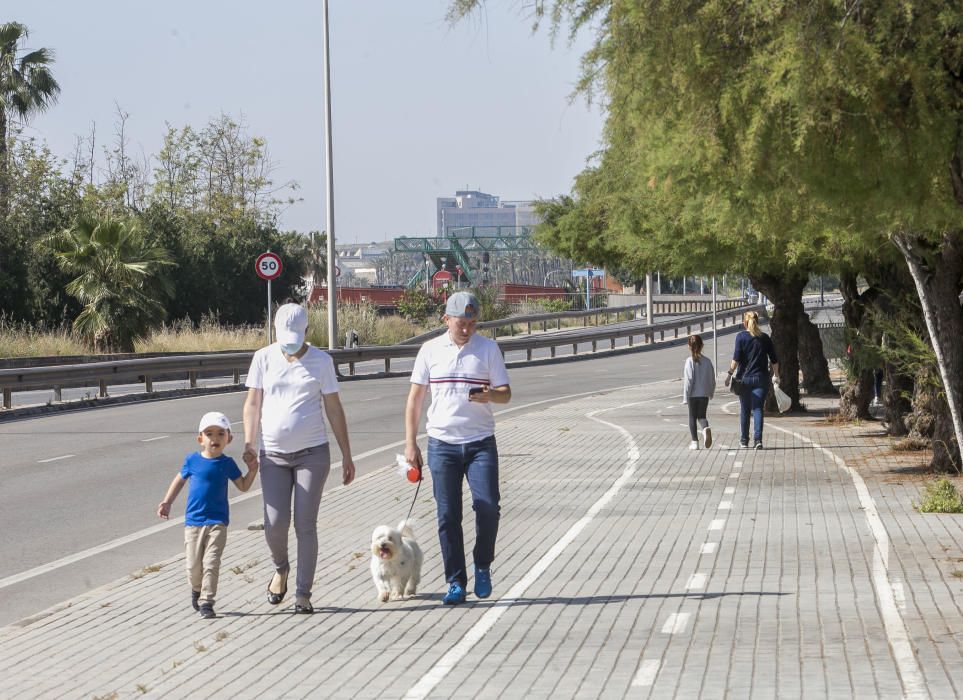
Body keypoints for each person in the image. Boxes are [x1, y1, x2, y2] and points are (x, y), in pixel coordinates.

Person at [242, 303, 356, 615]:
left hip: (312, 454)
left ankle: (303, 593)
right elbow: (253, 404)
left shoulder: (321, 361)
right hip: (273, 455)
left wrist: (347, 453)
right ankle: (281, 569)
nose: (290, 341)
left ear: (306, 331)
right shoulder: (263, 358)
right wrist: (250, 443)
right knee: (275, 523)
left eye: (296, 335)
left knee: (305, 523)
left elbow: (333, 408)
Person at [404, 291, 511, 605]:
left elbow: (506, 393)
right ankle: (455, 581)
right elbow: (414, 401)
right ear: (446, 320)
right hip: (442, 444)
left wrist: (490, 395)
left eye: (472, 323)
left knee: (488, 506)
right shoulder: (429, 351)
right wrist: (411, 444)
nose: (466, 329)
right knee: (448, 515)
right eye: (461, 323)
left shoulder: (488, 349)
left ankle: (482, 563)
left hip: (480, 443)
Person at [157, 411, 259, 619]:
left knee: (211, 562)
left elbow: (243, 486)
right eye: (209, 433)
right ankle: (196, 589)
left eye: (221, 434)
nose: (215, 438)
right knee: (193, 566)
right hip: (193, 522)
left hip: (217, 522)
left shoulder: (227, 463)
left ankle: (207, 601)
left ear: (229, 439)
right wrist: (167, 502)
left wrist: (253, 470)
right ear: (200, 439)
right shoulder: (192, 460)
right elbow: (179, 481)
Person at [726, 310, 779, 449]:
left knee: (745, 409)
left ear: (745, 323)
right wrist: (776, 375)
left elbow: (736, 359)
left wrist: (729, 374)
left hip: (744, 379)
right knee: (758, 409)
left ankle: (744, 440)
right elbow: (774, 360)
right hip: (761, 378)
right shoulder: (765, 338)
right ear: (757, 322)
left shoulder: (741, 337)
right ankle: (758, 440)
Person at [683, 334, 715, 450]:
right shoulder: (707, 361)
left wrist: (686, 396)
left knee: (692, 417)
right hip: (704, 395)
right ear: (702, 346)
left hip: (693, 395)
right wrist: (711, 392)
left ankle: (695, 442)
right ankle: (705, 428)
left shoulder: (689, 361)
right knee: (701, 416)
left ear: (689, 347)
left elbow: (688, 380)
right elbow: (712, 378)